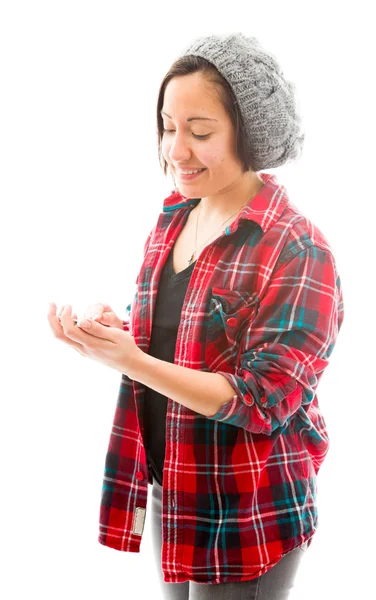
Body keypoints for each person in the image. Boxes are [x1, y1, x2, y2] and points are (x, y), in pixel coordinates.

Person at [48, 32, 344, 599]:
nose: (176, 150)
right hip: (173, 488)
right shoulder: (174, 219)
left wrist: (132, 360)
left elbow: (262, 400)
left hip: (246, 508)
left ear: (249, 134)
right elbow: (166, 341)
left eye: (200, 132)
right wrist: (114, 333)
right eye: (168, 127)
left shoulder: (297, 247)